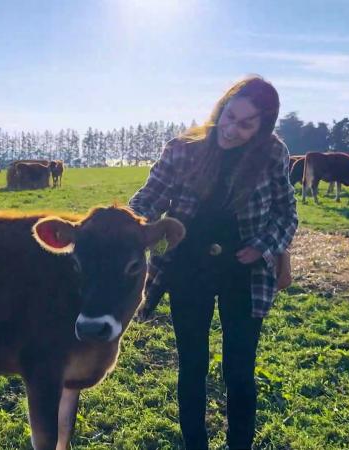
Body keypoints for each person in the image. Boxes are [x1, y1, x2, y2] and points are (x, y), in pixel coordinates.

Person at [128, 75, 298, 449]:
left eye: (246, 124)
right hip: (188, 269)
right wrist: (128, 226)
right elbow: (147, 200)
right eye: (229, 116)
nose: (232, 130)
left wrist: (263, 246)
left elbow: (287, 214)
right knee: (192, 365)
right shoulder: (182, 150)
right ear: (221, 108)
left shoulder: (272, 154)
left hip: (245, 274)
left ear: (263, 127)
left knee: (239, 369)